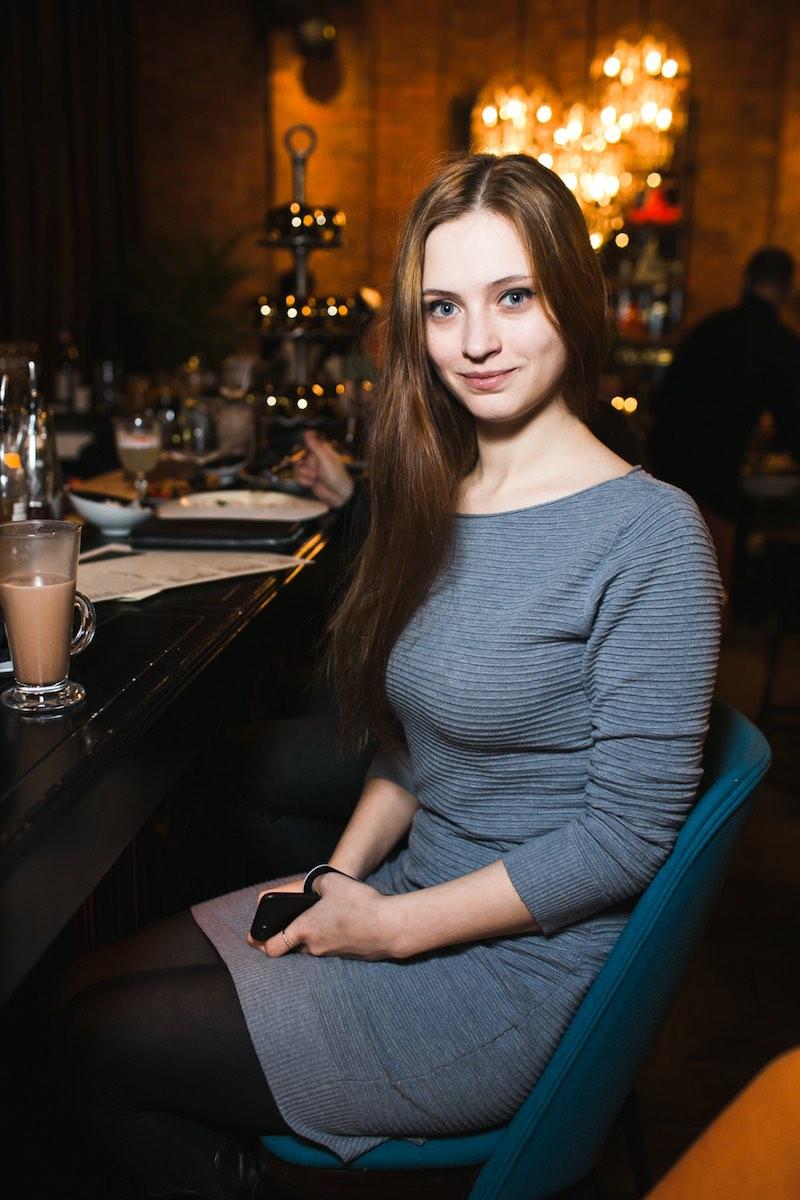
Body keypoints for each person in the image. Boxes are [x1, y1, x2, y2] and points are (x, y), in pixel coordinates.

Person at [54, 154, 721, 1199]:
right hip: (403, 892)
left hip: (506, 979)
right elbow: (415, 748)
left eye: (513, 296)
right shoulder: (441, 492)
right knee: (68, 994)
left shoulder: (651, 536)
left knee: (97, 1044)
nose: (476, 341)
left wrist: (392, 930)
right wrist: (338, 875)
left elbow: (625, 837)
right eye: (443, 307)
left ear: (571, 295)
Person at [647, 246, 800, 595]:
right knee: (708, 595)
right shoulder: (780, 343)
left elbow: (662, 398)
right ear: (788, 289)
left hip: (663, 473)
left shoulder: (706, 329)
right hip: (713, 485)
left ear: (745, 281)